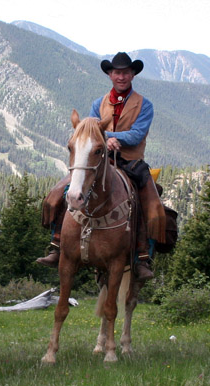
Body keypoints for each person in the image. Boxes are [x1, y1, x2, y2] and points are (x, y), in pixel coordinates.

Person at [37, 52, 166, 281]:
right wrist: (104, 140)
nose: (121, 76)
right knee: (62, 193)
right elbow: (89, 132)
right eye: (117, 72)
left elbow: (137, 134)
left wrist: (111, 137)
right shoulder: (99, 103)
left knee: (153, 207)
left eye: (126, 72)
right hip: (98, 159)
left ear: (132, 74)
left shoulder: (145, 105)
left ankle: (143, 257)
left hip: (130, 161)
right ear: (110, 74)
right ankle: (57, 243)